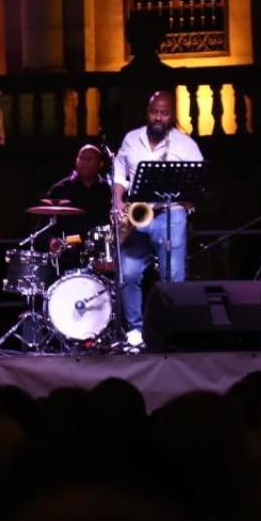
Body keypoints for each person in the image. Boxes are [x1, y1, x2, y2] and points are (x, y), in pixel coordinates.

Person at [111, 91, 203, 349]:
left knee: (172, 276)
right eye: (154, 112)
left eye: (164, 113)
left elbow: (197, 184)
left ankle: (171, 331)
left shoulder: (186, 145)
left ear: (172, 115)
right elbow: (119, 175)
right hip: (137, 214)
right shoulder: (131, 139)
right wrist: (118, 202)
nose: (159, 118)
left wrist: (187, 200)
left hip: (169, 213)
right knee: (128, 273)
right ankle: (135, 331)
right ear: (147, 112)